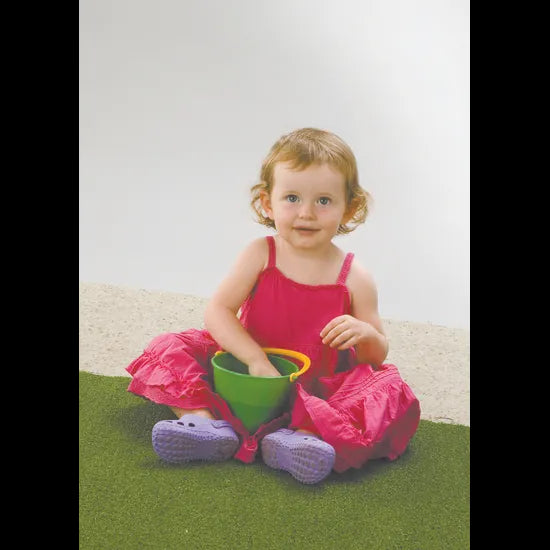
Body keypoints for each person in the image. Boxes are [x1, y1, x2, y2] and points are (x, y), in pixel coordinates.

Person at [126, 127, 421, 484]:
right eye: (292, 198)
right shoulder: (260, 254)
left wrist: (365, 334)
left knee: (388, 387)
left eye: (324, 201)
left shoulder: (355, 276)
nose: (306, 213)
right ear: (268, 203)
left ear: (350, 207)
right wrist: (254, 359)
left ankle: (302, 439)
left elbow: (375, 357)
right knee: (168, 347)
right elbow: (218, 311)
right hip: (246, 376)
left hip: (318, 393)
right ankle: (204, 423)